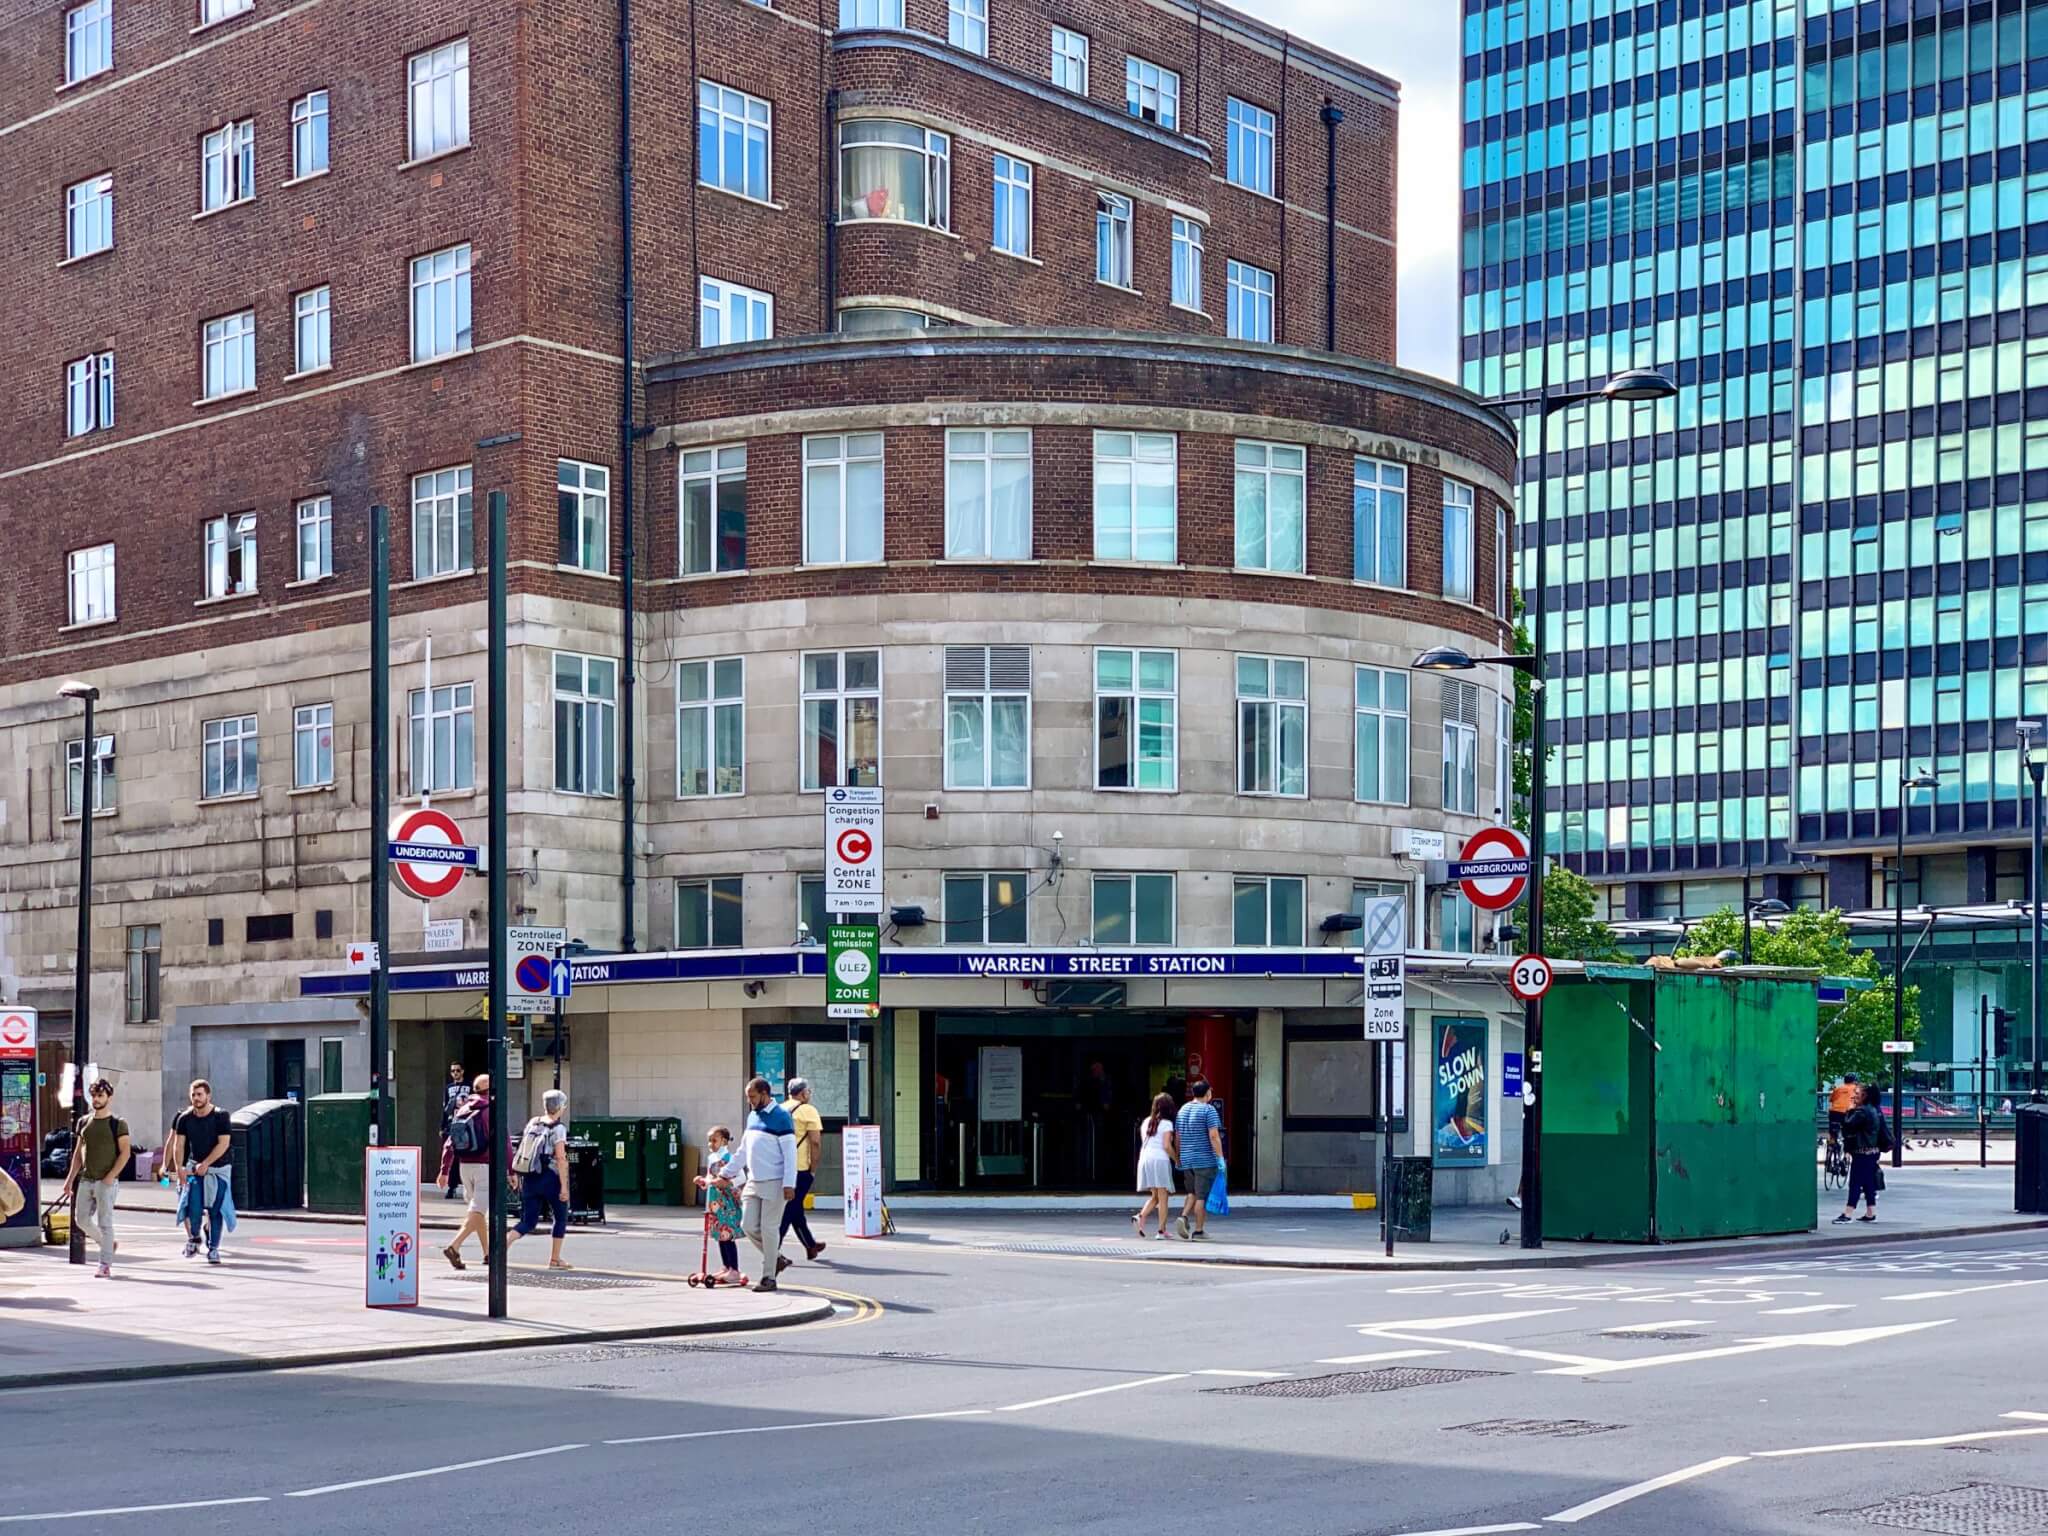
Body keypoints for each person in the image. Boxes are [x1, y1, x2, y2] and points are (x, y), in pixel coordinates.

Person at [62, 1078, 130, 1277]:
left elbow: (125, 1153)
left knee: (105, 1222)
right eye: (94, 1096)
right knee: (81, 1220)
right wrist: (69, 1180)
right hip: (86, 1179)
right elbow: (78, 1153)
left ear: (109, 1097)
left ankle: (105, 1264)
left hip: (106, 1182)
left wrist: (111, 1176)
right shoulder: (84, 1122)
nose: (96, 1099)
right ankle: (108, 1243)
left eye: (100, 1095)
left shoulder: (118, 1124)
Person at [738, 1077, 797, 1292]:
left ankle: (769, 1278)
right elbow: (743, 1151)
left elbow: (790, 1155)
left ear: (764, 1094)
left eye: (752, 1097)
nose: (749, 1101)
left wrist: (789, 1183)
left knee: (768, 1229)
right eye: (748, 1097)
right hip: (753, 1180)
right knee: (747, 1225)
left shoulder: (782, 1117)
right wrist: (726, 1173)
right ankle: (776, 1258)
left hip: (775, 1181)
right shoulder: (752, 1116)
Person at [167, 1078, 233, 1264]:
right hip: (195, 1169)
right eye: (193, 1095)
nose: (196, 1098)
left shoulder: (221, 1116)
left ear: (208, 1096)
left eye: (199, 1094)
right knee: (193, 1206)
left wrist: (206, 1163)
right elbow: (178, 1145)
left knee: (215, 1210)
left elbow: (224, 1143)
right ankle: (194, 1238)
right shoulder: (185, 1118)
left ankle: (214, 1248)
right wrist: (179, 1168)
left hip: (218, 1169)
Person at [507, 1088, 573, 1269]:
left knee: (528, 1221)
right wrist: (564, 1187)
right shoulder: (558, 1128)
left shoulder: (533, 1123)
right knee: (560, 1217)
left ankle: (503, 1246)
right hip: (550, 1177)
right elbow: (560, 1158)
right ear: (560, 1107)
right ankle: (555, 1259)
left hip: (530, 1176)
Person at [441, 1073, 494, 1270]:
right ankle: (454, 1246)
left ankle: (488, 1253)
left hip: (464, 1166)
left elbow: (450, 1142)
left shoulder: (463, 1109)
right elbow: (503, 1141)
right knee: (478, 1211)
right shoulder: (491, 1110)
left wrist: (444, 1170)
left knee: (477, 1212)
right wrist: (510, 1170)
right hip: (484, 1166)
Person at [778, 1077, 828, 1264]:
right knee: (789, 1210)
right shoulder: (808, 1110)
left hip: (781, 1167)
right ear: (803, 1093)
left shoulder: (780, 1109)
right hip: (800, 1168)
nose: (809, 1094)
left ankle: (810, 1245)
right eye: (808, 1091)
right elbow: (815, 1142)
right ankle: (773, 1252)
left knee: (795, 1207)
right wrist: (813, 1168)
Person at [1172, 1079, 1225, 1241]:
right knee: (1201, 1196)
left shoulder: (1183, 1109)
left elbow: (1177, 1137)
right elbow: (1214, 1136)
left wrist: (1178, 1157)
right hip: (1204, 1160)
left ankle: (1183, 1216)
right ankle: (1199, 1231)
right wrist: (1220, 1157)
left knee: (1192, 1192)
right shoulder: (1209, 1110)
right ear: (1207, 1093)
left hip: (1186, 1159)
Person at [1835, 1082, 1893, 1224]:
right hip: (1873, 1151)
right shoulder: (1874, 1110)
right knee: (1868, 1183)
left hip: (1862, 1152)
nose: (1854, 1096)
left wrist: (1849, 1110)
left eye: (1857, 1093)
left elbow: (1848, 1125)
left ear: (1865, 1095)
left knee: (1855, 1182)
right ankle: (1871, 1212)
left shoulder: (1862, 1112)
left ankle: (1848, 1213)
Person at [698, 1125, 746, 1285]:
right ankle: (726, 1266)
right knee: (720, 1234)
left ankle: (734, 1269)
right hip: (715, 1201)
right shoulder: (712, 1158)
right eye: (709, 1141)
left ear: (724, 1141)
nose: (711, 1144)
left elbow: (741, 1177)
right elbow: (710, 1178)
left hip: (727, 1201)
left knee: (727, 1234)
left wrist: (728, 1183)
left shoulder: (730, 1158)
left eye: (714, 1141)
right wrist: (703, 1182)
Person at [1132, 1092, 1177, 1240]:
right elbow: (1166, 1146)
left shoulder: (1146, 1122)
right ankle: (1161, 1231)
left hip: (1145, 1159)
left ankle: (1140, 1216)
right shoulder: (1167, 1124)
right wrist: (1177, 1159)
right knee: (1163, 1197)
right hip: (1160, 1160)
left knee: (1155, 1196)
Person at [440, 1063, 469, 1199]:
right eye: (453, 1071)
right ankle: (452, 1187)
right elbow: (445, 1109)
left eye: (458, 1070)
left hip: (466, 1124)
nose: (455, 1073)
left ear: (462, 1071)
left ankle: (465, 1185)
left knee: (465, 1155)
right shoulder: (448, 1088)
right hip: (452, 1124)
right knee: (451, 1155)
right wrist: (442, 1126)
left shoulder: (469, 1086)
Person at [1827, 1073, 1860, 1146]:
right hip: (1848, 1112)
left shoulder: (1838, 1088)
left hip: (1834, 1112)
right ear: (1854, 1081)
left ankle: (1832, 1142)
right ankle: (1848, 1146)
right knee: (1848, 1132)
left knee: (1833, 1131)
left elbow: (1831, 1099)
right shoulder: (1857, 1089)